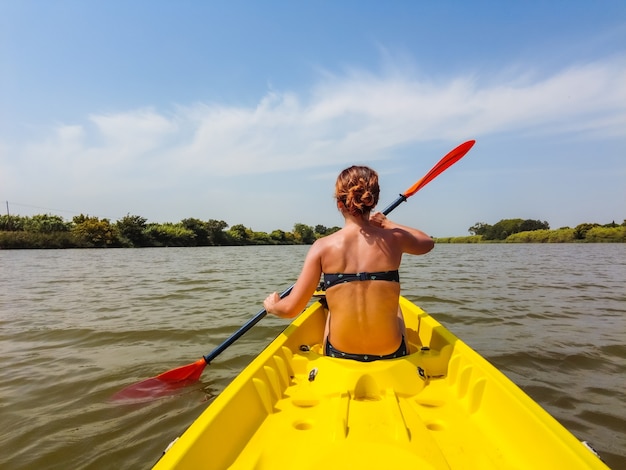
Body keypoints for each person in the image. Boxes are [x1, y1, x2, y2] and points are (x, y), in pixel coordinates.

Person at [263, 165, 434, 361]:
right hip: (391, 352)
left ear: (339, 204)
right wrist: (388, 224)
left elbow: (290, 309)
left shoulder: (322, 246)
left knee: (331, 309)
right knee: (396, 306)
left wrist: (273, 306)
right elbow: (427, 243)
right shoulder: (394, 238)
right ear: (373, 201)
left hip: (340, 353)